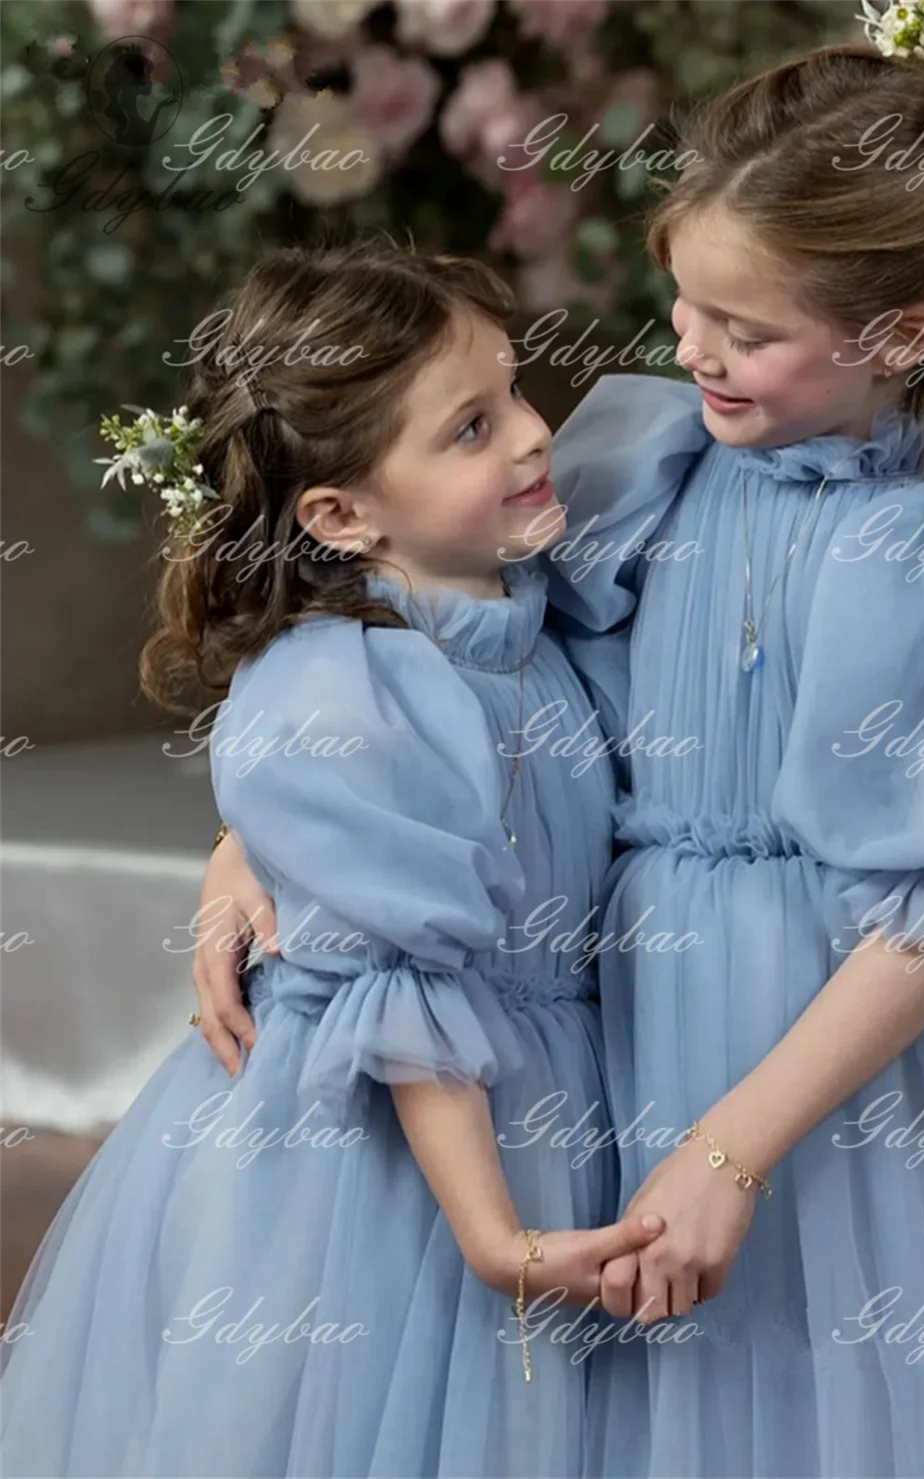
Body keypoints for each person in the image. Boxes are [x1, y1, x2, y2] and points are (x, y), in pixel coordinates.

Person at [194, 14, 924, 1478]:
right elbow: (446, 668)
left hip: (874, 1059)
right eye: (685, 305)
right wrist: (251, 839)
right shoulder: (654, 464)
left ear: (905, 334)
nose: (694, 350)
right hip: (645, 1015)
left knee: (872, 1388)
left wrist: (730, 1148)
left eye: (749, 329)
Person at [0, 241, 664, 1479]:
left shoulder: (532, 614)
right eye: (469, 429)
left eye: (517, 391)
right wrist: (495, 1238)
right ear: (342, 515)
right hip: (405, 1156)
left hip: (540, 1084)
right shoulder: (351, 683)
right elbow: (408, 1002)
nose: (530, 437)